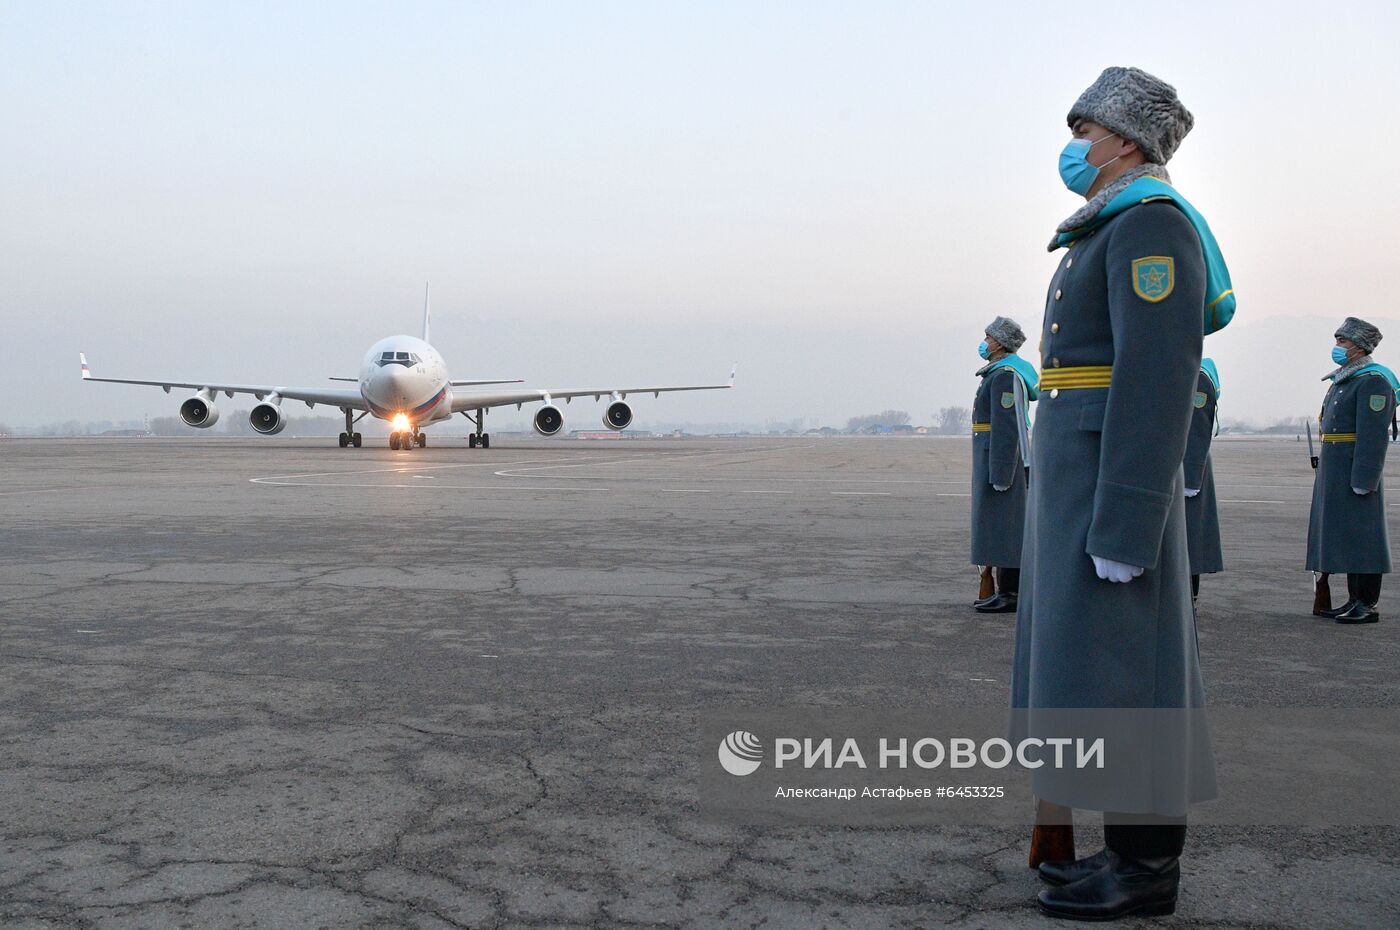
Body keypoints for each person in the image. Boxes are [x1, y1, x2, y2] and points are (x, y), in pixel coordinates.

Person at [1010, 66, 1230, 921]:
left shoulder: (1151, 225)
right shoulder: (1104, 225)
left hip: (1112, 488)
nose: (1074, 144)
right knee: (1091, 673)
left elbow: (1154, 378)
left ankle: (1145, 867)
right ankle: (1119, 848)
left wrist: (1129, 518)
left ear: (1127, 139)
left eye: (1085, 128)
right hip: (1079, 481)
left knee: (1131, 673)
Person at [1306, 318, 1396, 624]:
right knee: (1347, 536)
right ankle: (1353, 599)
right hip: (1336, 469)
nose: (1337, 347)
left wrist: (1364, 478)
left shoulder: (1373, 381)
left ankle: (1366, 603)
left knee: (1365, 537)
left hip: (1355, 471)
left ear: (1360, 347)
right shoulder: (1346, 379)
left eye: (1343, 342)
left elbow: (1373, 437)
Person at [970, 317, 1038, 613]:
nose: (984, 341)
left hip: (1003, 461)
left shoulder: (1005, 376)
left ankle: (1011, 592)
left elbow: (1008, 428)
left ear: (999, 342)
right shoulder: (996, 374)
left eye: (988, 336)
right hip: (995, 458)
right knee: (1000, 526)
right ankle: (1003, 589)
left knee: (1008, 527)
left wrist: (1001, 473)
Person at [1185, 359, 1224, 606]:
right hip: (1173, 463)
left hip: (1188, 463)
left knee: (1190, 535)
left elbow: (1198, 430)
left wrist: (1191, 477)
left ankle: (1190, 597)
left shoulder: (1197, 375)